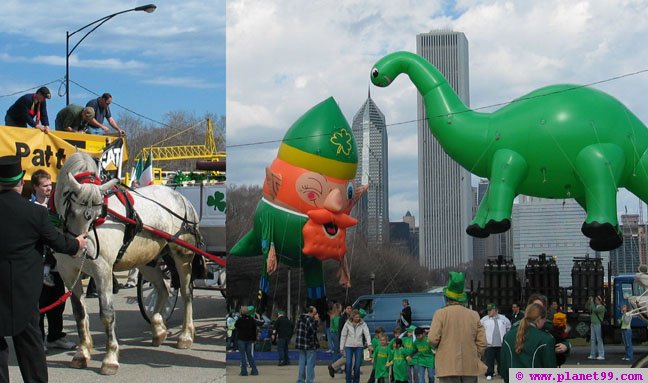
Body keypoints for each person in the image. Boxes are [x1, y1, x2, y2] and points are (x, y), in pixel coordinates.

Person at [0, 155, 87, 383]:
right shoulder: (35, 213)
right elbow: (58, 242)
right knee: (30, 349)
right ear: (21, 183)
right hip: (25, 292)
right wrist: (78, 243)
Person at [31, 170, 76, 352]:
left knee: (58, 301)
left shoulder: (55, 207)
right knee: (40, 304)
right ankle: (39, 339)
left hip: (57, 262)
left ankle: (55, 336)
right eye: (45, 185)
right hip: (39, 264)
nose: (49, 188)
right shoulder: (31, 207)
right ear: (35, 187)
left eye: (50, 185)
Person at [429, 271, 487, 383]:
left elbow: (432, 339)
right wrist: (475, 354)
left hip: (447, 366)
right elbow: (482, 342)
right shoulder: (474, 315)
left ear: (447, 297)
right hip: (470, 366)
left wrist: (440, 349)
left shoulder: (440, 314)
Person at [500, 303, 557, 383]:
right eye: (544, 319)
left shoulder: (508, 336)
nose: (545, 323)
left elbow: (503, 369)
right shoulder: (546, 339)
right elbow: (551, 373)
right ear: (540, 318)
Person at [480, 303, 511, 380]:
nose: (489, 312)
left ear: (496, 310)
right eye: (488, 310)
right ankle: (489, 373)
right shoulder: (484, 319)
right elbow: (479, 329)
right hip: (490, 344)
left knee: (501, 360)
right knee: (489, 360)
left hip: (501, 344)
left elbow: (509, 327)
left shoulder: (503, 318)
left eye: (490, 310)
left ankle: (501, 372)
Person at [340, 309, 372, 383]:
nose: (358, 318)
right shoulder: (347, 323)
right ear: (352, 317)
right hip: (348, 346)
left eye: (359, 317)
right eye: (356, 317)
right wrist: (341, 347)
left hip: (359, 346)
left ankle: (356, 381)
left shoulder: (363, 324)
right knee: (348, 364)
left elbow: (367, 334)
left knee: (357, 365)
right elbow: (343, 335)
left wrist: (369, 344)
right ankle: (348, 381)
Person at [295, 306, 319, 383]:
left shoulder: (300, 318)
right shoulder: (309, 319)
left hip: (301, 344)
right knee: (310, 364)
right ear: (310, 313)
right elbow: (313, 330)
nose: (315, 315)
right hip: (309, 344)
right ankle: (309, 380)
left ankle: (300, 379)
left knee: (302, 362)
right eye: (314, 313)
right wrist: (316, 321)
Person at [328, 304, 354, 377]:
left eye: (350, 308)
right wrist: (341, 341)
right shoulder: (342, 318)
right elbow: (340, 330)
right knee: (348, 357)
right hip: (345, 340)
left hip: (351, 340)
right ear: (345, 309)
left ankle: (335, 367)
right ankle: (334, 367)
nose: (349, 310)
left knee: (349, 357)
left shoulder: (351, 317)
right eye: (348, 308)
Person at [235, 305, 259, 376]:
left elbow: (236, 326)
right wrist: (254, 339)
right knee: (249, 355)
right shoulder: (252, 320)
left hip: (241, 339)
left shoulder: (240, 320)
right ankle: (254, 370)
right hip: (249, 339)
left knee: (242, 355)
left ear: (241, 312)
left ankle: (244, 371)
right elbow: (254, 330)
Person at [587, 295, 606, 360]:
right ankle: (593, 354)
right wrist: (589, 301)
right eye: (595, 300)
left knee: (599, 339)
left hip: (598, 324)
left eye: (597, 300)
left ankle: (601, 355)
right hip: (593, 323)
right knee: (593, 339)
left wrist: (592, 303)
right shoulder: (594, 305)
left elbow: (595, 311)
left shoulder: (602, 307)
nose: (596, 301)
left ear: (600, 300)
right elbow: (588, 308)